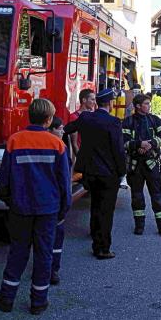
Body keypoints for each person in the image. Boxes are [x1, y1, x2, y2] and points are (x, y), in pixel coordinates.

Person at [0, 99, 71, 315]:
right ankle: (38, 302)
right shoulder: (58, 145)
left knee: (17, 252)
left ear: (30, 116)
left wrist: (9, 200)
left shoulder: (14, 141)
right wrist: (63, 210)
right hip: (48, 210)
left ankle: (6, 299)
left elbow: (4, 179)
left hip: (21, 208)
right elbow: (64, 183)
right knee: (44, 254)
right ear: (48, 120)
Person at [64, 88, 126, 260]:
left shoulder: (85, 118)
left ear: (97, 102)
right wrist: (122, 171)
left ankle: (94, 234)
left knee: (95, 204)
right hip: (108, 173)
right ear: (110, 103)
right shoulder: (113, 122)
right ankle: (102, 248)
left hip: (90, 172)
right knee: (106, 211)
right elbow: (118, 150)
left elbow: (66, 129)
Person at [122, 94, 161, 236]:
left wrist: (150, 145)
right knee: (137, 197)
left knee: (158, 196)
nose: (149, 106)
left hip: (152, 164)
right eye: (146, 103)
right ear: (138, 106)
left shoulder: (155, 120)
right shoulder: (128, 122)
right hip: (136, 166)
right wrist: (138, 145)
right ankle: (139, 226)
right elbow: (124, 142)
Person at [47, 116, 72, 286]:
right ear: (50, 129)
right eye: (60, 129)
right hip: (53, 203)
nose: (63, 131)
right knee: (55, 237)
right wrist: (65, 205)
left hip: (35, 203)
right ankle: (52, 270)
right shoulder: (59, 147)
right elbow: (65, 181)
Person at [68, 89, 96, 161]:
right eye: (92, 99)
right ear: (84, 100)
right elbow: (74, 143)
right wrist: (81, 160)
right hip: (82, 157)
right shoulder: (74, 117)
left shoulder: (94, 116)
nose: (94, 102)